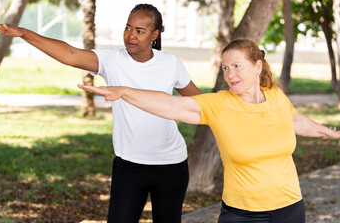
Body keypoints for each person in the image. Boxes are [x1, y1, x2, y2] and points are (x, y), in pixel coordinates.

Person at [78, 38, 340, 223]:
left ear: (257, 66)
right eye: (225, 68)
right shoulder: (219, 105)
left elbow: (296, 121)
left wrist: (329, 132)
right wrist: (124, 91)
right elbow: (170, 105)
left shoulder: (277, 98)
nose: (230, 74)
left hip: (290, 208)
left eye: (237, 66)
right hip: (242, 214)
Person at [0, 3, 203, 223]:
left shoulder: (170, 63)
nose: (130, 35)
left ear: (155, 34)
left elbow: (200, 102)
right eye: (128, 28)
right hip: (130, 165)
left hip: (171, 164)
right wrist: (24, 33)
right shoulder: (113, 60)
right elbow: (70, 53)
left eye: (139, 31)